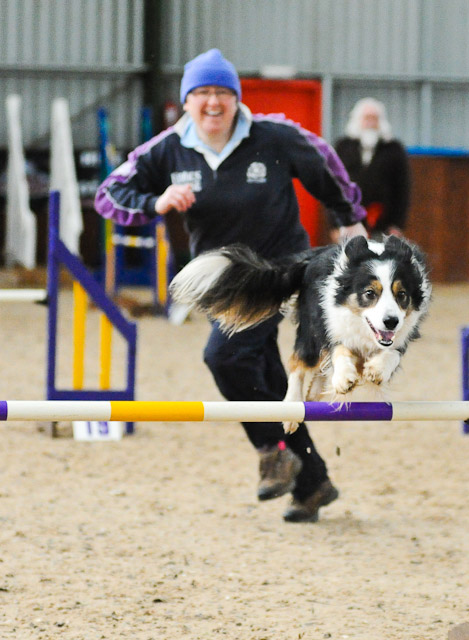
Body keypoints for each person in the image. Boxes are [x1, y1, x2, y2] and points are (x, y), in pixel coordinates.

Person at [94, 48, 367, 523]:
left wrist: (350, 223)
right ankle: (312, 480)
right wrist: (155, 202)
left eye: (223, 92)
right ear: (187, 101)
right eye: (202, 93)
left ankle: (270, 449)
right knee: (263, 375)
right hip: (221, 282)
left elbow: (325, 164)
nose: (213, 102)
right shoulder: (166, 149)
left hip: (280, 270)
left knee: (224, 356)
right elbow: (108, 195)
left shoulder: (274, 136)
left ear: (237, 98)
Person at [333, 97, 411, 238]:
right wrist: (335, 224)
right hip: (349, 222)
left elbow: (402, 189)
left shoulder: (394, 149)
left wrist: (397, 224)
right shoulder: (343, 147)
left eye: (374, 118)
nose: (370, 123)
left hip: (383, 224)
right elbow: (334, 186)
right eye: (366, 118)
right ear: (358, 120)